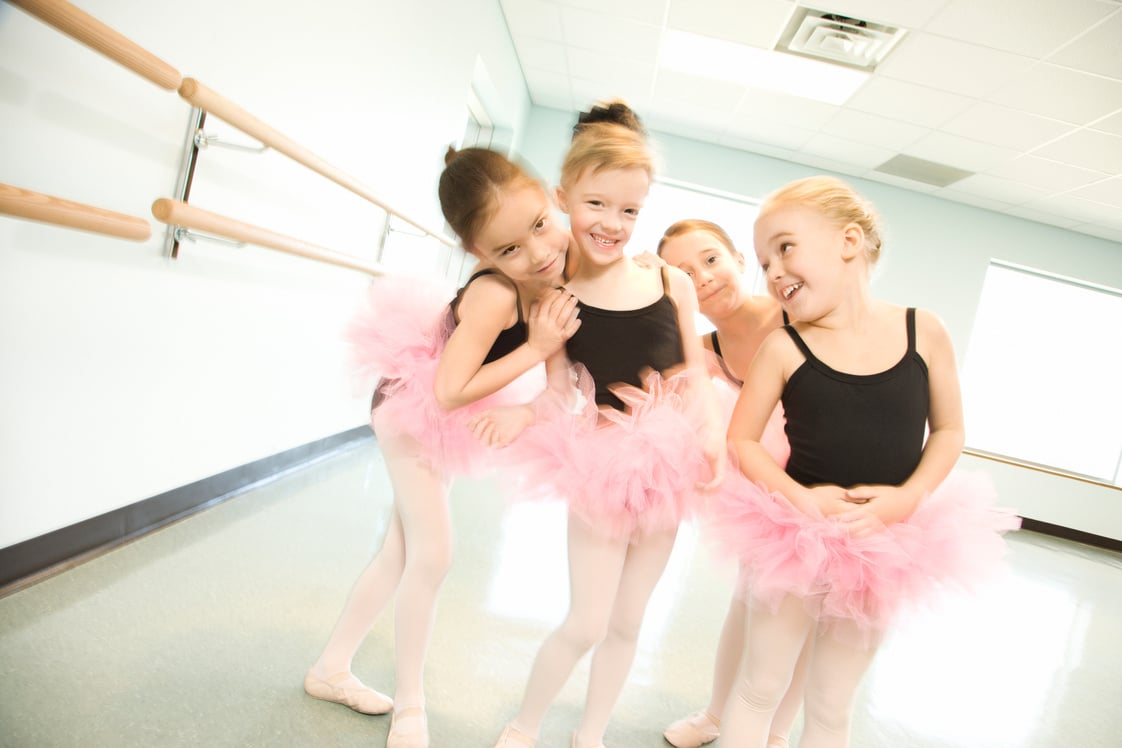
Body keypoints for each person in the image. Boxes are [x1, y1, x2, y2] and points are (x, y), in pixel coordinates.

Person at [710, 175, 1019, 747]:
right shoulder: (784, 346)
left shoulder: (924, 331)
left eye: (785, 247)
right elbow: (742, 442)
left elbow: (949, 430)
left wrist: (908, 497)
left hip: (882, 543)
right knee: (762, 684)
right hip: (794, 533)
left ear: (849, 241)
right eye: (763, 262)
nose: (772, 271)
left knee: (830, 703)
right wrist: (800, 499)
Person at [304, 146, 581, 748]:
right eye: (508, 250)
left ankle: (330, 668)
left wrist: (531, 403)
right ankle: (410, 706)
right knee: (433, 554)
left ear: (549, 199)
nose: (536, 254)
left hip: (439, 411)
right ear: (477, 254)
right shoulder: (497, 295)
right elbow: (449, 391)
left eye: (539, 226)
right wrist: (535, 348)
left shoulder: (554, 265)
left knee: (402, 551)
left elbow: (555, 386)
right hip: (410, 410)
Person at [491, 102, 724, 748]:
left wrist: (711, 440)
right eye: (597, 205)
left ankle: (589, 732)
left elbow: (697, 376)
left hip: (671, 467)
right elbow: (559, 388)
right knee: (587, 621)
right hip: (600, 468)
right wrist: (518, 413)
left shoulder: (670, 280)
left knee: (628, 621)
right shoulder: (556, 292)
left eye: (629, 211)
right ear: (563, 197)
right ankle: (525, 722)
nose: (612, 224)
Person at [655, 220, 804, 748]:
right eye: (686, 273)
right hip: (764, 476)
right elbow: (655, 380)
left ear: (739, 258)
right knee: (749, 598)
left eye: (711, 259)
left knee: (809, 613)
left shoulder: (797, 313)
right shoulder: (707, 346)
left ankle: (776, 731)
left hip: (827, 467)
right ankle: (717, 715)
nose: (705, 278)